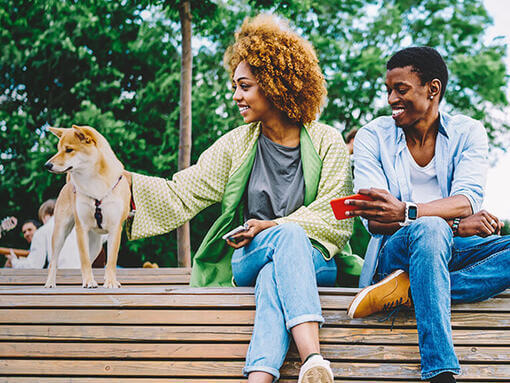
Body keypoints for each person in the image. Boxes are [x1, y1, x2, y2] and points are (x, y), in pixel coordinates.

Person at [125, 14, 356, 383]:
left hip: (316, 259)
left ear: (275, 85)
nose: (236, 96)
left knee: (276, 269)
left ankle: (259, 377)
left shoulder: (327, 140)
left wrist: (274, 225)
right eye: (236, 86)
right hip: (249, 253)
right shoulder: (237, 144)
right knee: (278, 250)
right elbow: (181, 192)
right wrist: (124, 186)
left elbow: (337, 217)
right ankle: (313, 358)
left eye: (245, 86)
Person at [346, 46, 510, 383]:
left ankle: (410, 290)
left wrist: (407, 210)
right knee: (432, 229)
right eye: (388, 90)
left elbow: (467, 200)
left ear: (432, 90)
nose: (391, 98)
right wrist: (452, 223)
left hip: (452, 253)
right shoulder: (371, 137)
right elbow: (376, 218)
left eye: (401, 89)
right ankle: (440, 372)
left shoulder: (469, 132)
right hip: (393, 255)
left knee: (437, 231)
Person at [6, 199, 84, 269]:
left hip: (59, 279)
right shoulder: (77, 228)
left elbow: (34, 265)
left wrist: (14, 261)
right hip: (82, 278)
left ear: (46, 215)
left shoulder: (43, 231)